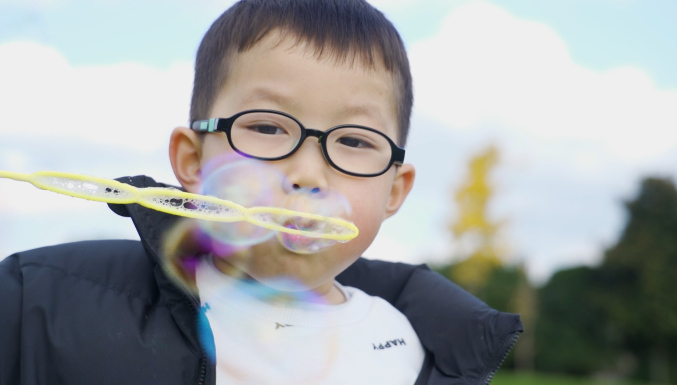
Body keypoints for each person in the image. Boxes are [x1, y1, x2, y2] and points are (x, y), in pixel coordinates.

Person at [0, 1, 522, 384]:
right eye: (268, 129)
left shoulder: (422, 349)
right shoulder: (41, 301)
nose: (308, 174)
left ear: (394, 189)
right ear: (192, 160)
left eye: (355, 140)